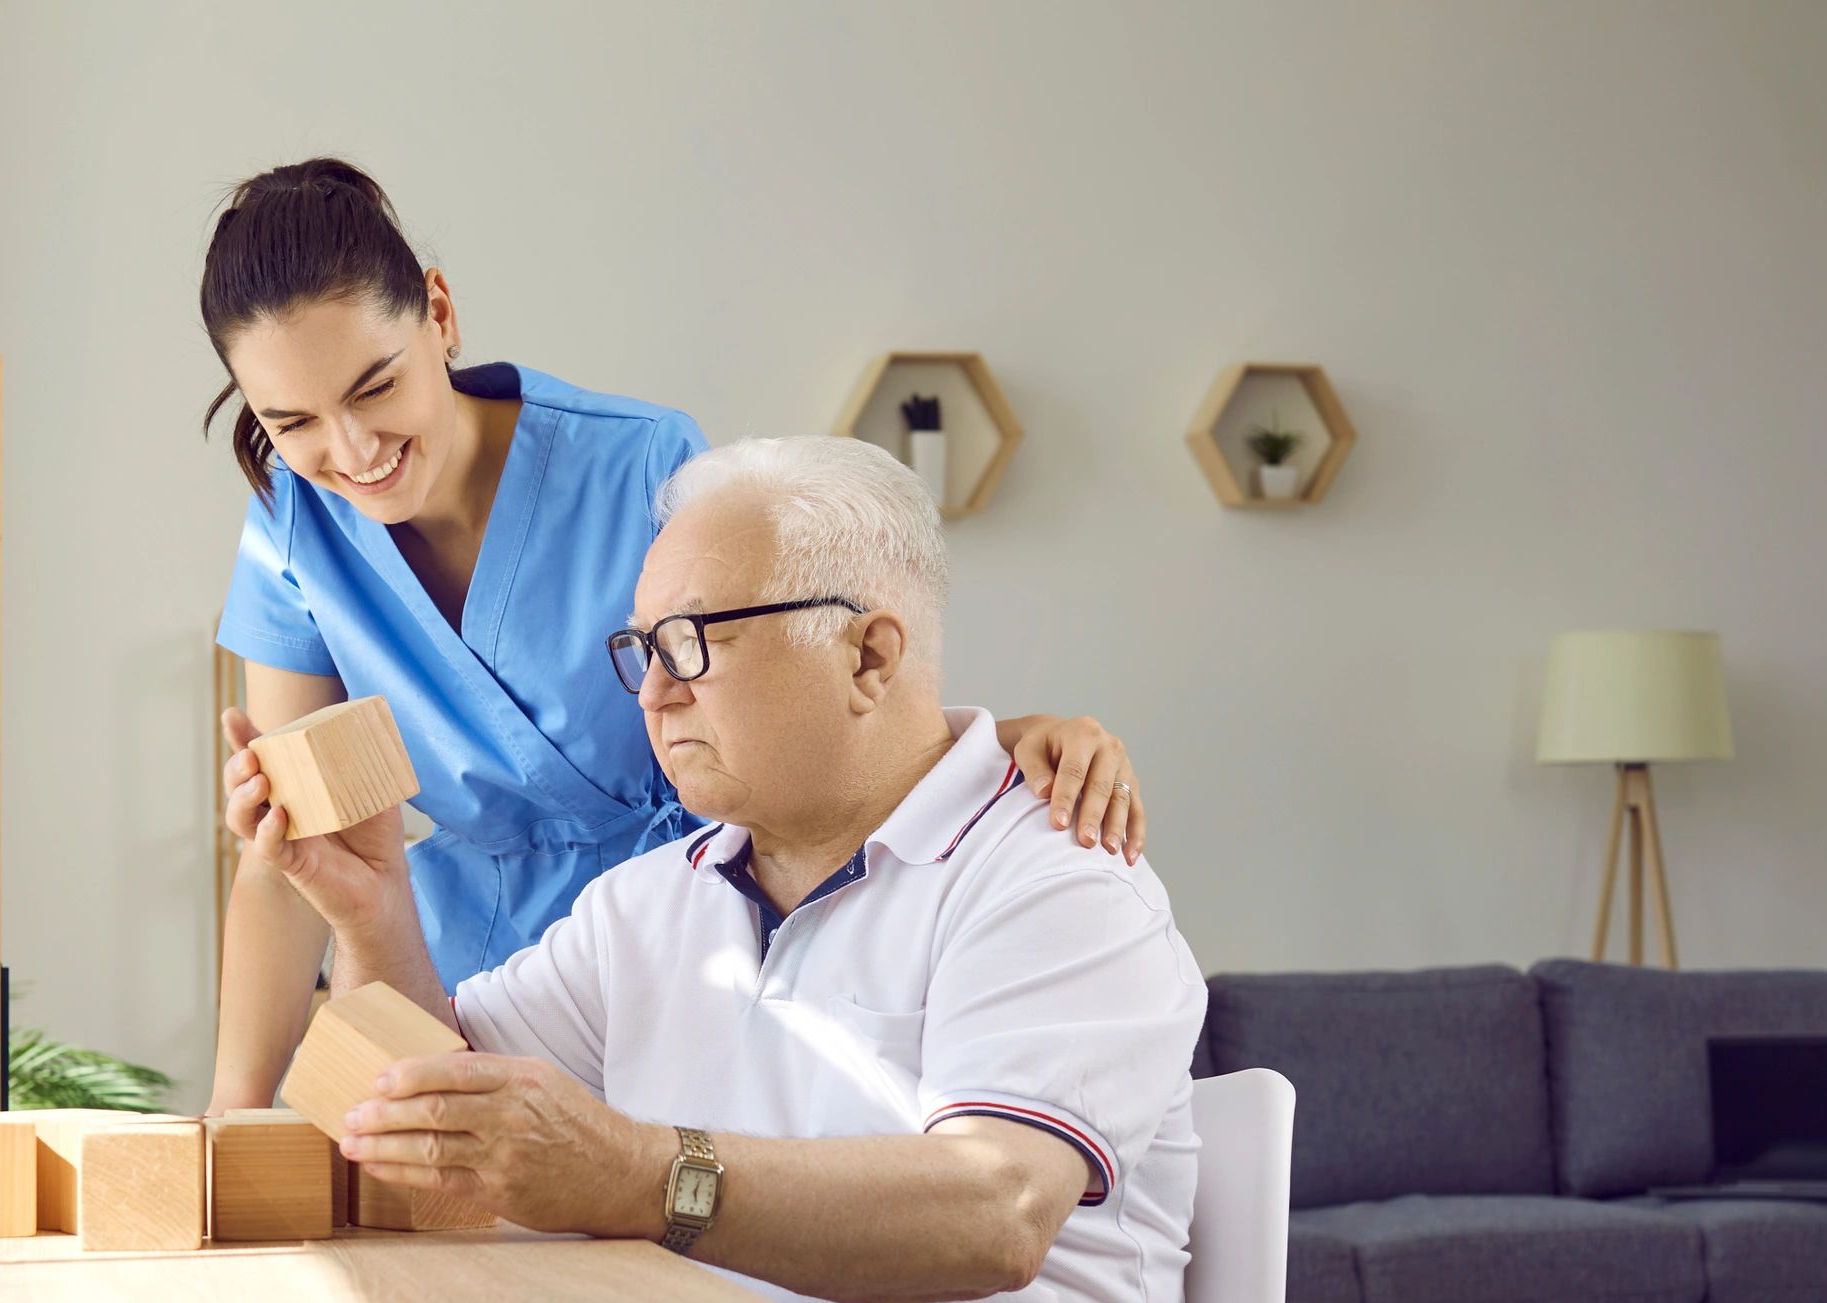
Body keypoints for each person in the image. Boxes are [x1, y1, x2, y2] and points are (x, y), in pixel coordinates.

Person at [232, 435, 1206, 1303]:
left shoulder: (1055, 876)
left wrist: (639, 1174)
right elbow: (423, 1111)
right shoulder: (652, 905)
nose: (653, 690)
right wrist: (370, 910)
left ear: (870, 651)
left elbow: (994, 1210)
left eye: (696, 640)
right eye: (640, 649)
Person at [202, 158, 1150, 1117]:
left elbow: (797, 678)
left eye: (375, 388)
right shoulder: (291, 526)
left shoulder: (638, 464)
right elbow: (289, 857)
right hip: (454, 972)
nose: (353, 451)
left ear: (438, 315)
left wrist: (984, 744)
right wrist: (225, 1123)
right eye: (293, 422)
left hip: (679, 952)